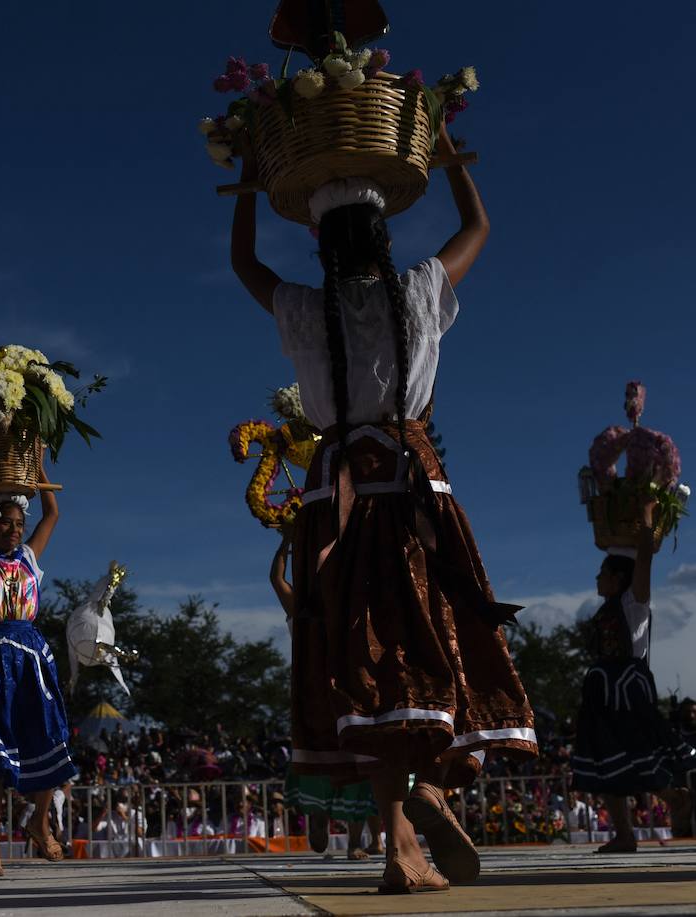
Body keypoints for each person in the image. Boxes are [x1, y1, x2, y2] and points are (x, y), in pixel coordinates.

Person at [231, 122, 537, 894]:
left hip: (337, 503)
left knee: (362, 664)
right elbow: (478, 227)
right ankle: (429, 789)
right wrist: (449, 156)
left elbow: (244, 264)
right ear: (383, 238)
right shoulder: (420, 290)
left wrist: (247, 181)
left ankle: (399, 841)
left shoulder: (306, 310)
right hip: (410, 488)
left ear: (323, 248)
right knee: (437, 639)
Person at [0, 442, 76, 877]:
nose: (16, 530)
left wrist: (39, 468)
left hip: (30, 660)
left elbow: (52, 514)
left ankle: (40, 822)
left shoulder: (28, 559)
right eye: (7, 522)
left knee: (47, 740)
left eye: (20, 524)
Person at [572, 519, 696, 851]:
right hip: (603, 690)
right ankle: (625, 833)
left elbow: (644, 558)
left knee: (636, 753)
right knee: (604, 759)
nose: (597, 578)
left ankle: (673, 797)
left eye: (602, 573)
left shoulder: (634, 603)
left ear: (618, 578)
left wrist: (646, 515)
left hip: (627, 690)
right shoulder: (607, 609)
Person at [270, 536, 381, 860]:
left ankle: (344, 834)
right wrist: (286, 541)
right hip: (328, 696)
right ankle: (331, 826)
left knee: (348, 764)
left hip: (333, 696)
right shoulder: (307, 612)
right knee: (336, 761)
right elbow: (277, 580)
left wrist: (286, 546)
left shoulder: (342, 610)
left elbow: (276, 579)